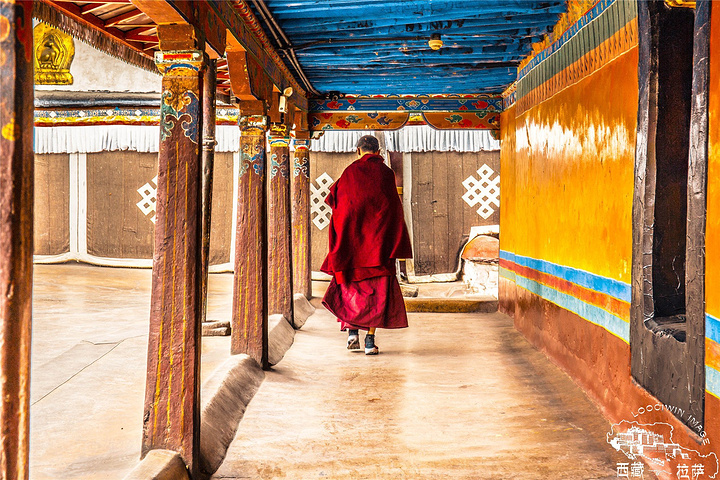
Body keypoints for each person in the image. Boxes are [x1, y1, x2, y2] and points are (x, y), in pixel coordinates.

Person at [321, 135, 413, 355]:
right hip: (379, 247)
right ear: (378, 151)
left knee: (351, 288)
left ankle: (353, 333)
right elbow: (392, 209)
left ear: (358, 151)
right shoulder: (386, 174)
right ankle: (370, 341)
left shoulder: (350, 172)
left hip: (352, 246)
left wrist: (343, 237)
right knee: (377, 294)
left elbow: (338, 204)